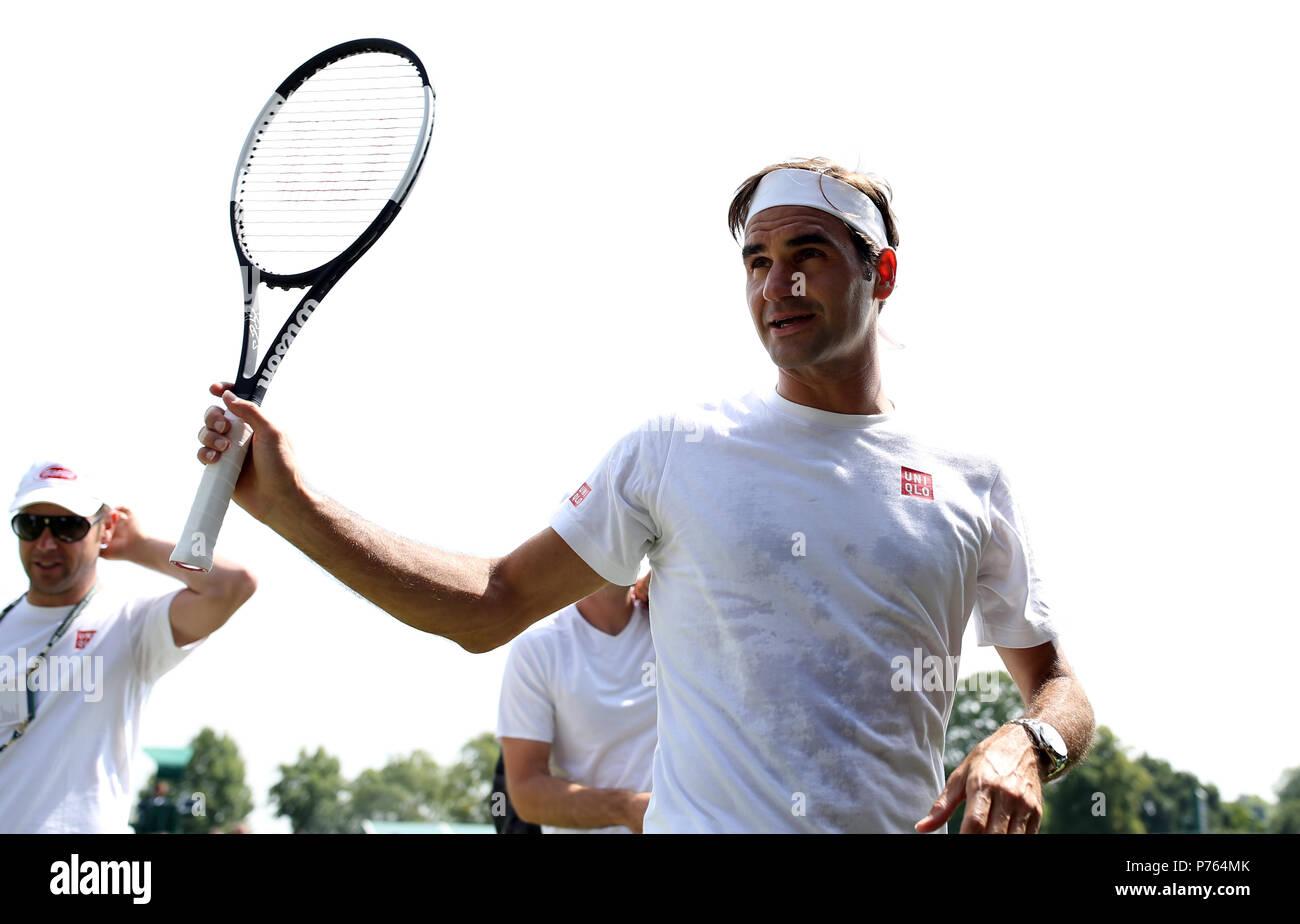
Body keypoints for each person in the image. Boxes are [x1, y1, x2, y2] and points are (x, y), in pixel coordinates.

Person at [195, 157, 1094, 833]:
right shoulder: (675, 449)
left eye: (807, 255)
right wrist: (290, 507)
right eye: (756, 260)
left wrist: (1029, 742)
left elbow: (1057, 686)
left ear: (881, 275)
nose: (775, 284)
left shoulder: (970, 479)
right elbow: (490, 605)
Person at [0, 461, 256, 833]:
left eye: (68, 526)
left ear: (106, 528)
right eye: (31, 525)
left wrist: (137, 546)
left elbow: (233, 586)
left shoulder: (129, 622)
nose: (46, 543)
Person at [496, 572, 655, 834]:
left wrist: (677, 585)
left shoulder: (675, 630)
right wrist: (627, 808)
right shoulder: (537, 649)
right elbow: (526, 792)